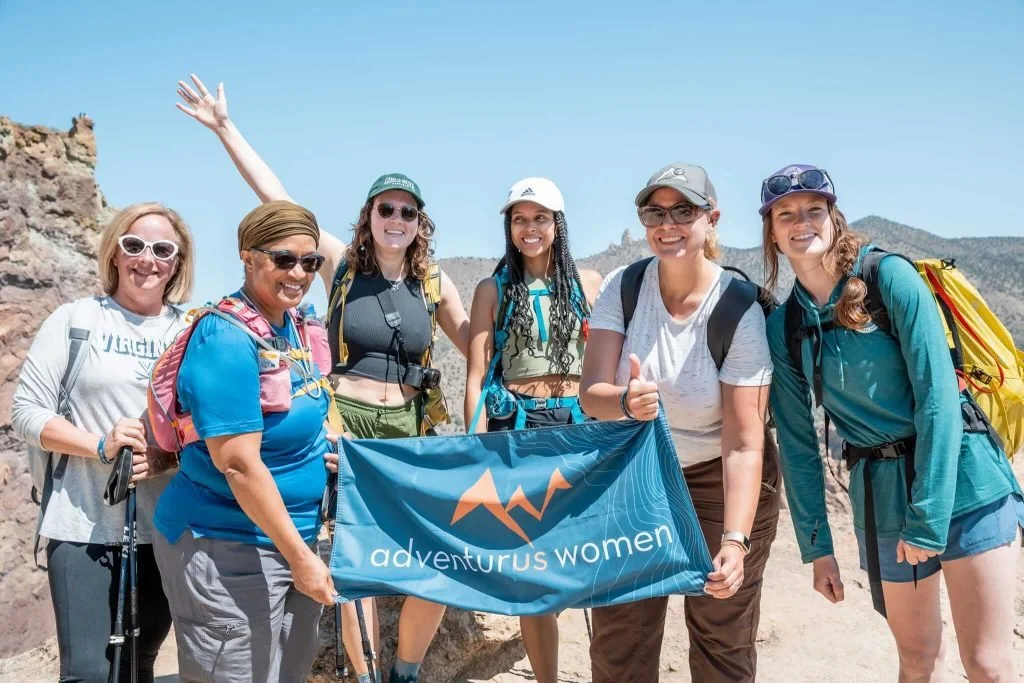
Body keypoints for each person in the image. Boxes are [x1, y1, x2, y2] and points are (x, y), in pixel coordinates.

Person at [175, 73, 470, 683]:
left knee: (433, 562)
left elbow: (479, 345)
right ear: (370, 216)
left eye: (407, 211)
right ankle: (363, 677)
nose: (396, 218)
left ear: (420, 222)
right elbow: (277, 199)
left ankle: (405, 672)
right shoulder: (337, 264)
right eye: (385, 208)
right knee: (356, 561)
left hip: (410, 429)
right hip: (348, 423)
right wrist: (226, 128)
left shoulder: (437, 284)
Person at [761, 163, 1024, 682]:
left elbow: (938, 400)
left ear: (834, 217)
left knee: (989, 665)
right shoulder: (785, 324)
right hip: (881, 495)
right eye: (785, 214)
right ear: (770, 231)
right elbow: (796, 442)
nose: (801, 221)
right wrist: (818, 548)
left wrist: (927, 517)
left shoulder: (890, 279)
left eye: (814, 209)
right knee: (917, 662)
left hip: (964, 481)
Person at [580, 163, 779, 682]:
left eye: (684, 211)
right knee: (621, 634)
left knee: (721, 634)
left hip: (719, 477)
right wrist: (627, 401)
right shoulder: (624, 288)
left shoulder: (738, 310)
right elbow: (592, 396)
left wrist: (735, 542)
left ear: (711, 219)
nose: (668, 224)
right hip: (639, 477)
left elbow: (743, 443)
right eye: (655, 211)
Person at [152, 201, 336, 683]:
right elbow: (237, 465)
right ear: (248, 256)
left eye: (310, 262)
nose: (299, 273)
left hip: (294, 539)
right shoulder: (226, 338)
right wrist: (302, 559)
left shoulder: (293, 325)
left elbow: (305, 417)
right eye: (284, 259)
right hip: (226, 546)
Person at [12, 203, 194, 683]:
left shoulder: (189, 332)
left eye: (162, 249)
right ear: (115, 252)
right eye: (133, 246)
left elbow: (210, 428)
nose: (146, 259)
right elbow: (26, 413)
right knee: (87, 673)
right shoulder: (76, 319)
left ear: (177, 262)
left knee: (140, 667)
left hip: (164, 533)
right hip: (80, 528)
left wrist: (165, 457)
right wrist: (100, 444)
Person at [464, 177, 602, 683]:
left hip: (579, 426)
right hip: (518, 428)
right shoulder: (492, 289)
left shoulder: (590, 283)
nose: (530, 229)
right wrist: (475, 447)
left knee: (586, 552)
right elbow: (478, 373)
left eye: (540, 218)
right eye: (519, 219)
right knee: (531, 564)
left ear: (557, 224)